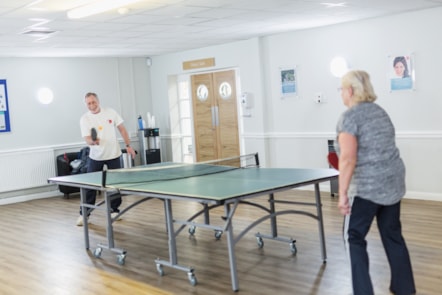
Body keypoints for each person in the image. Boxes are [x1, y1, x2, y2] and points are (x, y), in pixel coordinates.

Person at [335, 70, 416, 295]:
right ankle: (405, 289)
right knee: (392, 234)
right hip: (392, 182)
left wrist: (342, 193)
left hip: (367, 189)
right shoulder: (380, 112)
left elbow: (348, 158)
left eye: (341, 89)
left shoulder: (349, 117)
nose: (341, 93)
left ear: (350, 91)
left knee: (353, 237)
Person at [77, 92, 136, 226]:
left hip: (114, 155)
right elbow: (87, 138)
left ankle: (114, 210)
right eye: (89, 103)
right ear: (86, 104)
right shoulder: (84, 119)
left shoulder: (110, 112)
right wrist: (93, 142)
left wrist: (128, 146)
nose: (92, 105)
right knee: (90, 186)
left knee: (115, 185)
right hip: (95, 157)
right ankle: (84, 214)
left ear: (98, 101)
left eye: (93, 102)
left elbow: (122, 130)